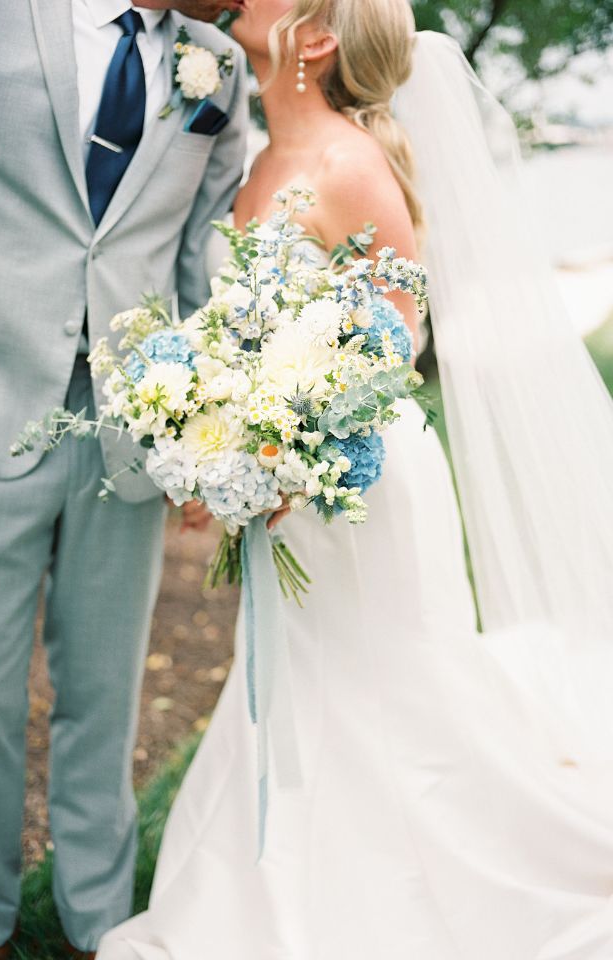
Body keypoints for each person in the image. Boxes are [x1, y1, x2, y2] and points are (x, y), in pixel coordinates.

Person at [98, 1, 613, 958]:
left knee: (393, 693)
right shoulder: (262, 163)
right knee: (306, 684)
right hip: (291, 488)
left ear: (318, 38)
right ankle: (290, 873)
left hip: (358, 487)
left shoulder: (348, 164)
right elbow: (247, 336)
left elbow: (392, 341)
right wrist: (209, 435)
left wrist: (287, 445)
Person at [0, 0, 248, 957]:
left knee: (106, 697)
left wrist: (203, 423)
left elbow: (199, 261)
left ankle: (100, 923)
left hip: (126, 435)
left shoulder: (216, 63)